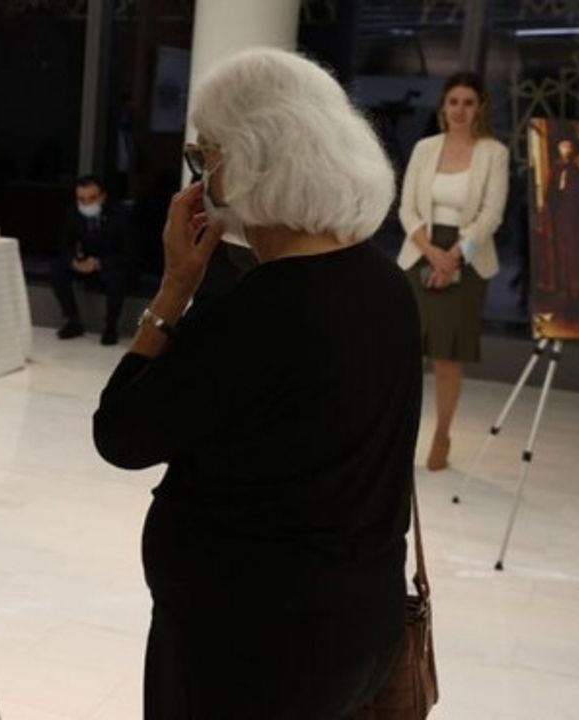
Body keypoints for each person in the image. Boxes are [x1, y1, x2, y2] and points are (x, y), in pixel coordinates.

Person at [93, 48, 419, 718]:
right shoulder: (384, 282)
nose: (203, 175)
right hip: (360, 622)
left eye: (205, 154)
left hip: (252, 647)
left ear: (250, 157)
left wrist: (173, 289)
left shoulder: (260, 311)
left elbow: (121, 434)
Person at [397, 71, 509, 471]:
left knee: (447, 358)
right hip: (421, 252)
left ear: (480, 108)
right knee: (406, 355)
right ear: (443, 107)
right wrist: (432, 253)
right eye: (453, 102)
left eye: (468, 102)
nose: (460, 110)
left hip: (468, 256)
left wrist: (452, 258)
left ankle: (442, 434)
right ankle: (398, 434)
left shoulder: (494, 153)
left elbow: (491, 215)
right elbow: (406, 208)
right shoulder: (425, 148)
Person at [52, 174, 134, 345]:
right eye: (81, 199)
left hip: (111, 263)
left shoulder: (119, 214)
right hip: (84, 262)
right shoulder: (73, 211)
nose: (86, 203)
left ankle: (110, 326)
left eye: (92, 198)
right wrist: (74, 261)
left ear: (102, 197)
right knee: (58, 269)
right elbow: (65, 244)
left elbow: (128, 253)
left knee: (117, 277)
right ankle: (73, 321)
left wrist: (98, 263)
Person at [534, 125, 579, 317]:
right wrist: (545, 217)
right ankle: (568, 296)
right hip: (559, 225)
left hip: (577, 225)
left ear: (573, 150)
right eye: (563, 146)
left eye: (569, 146)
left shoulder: (577, 172)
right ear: (558, 148)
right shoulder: (555, 171)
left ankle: (577, 295)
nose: (566, 149)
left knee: (578, 259)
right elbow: (550, 198)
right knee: (562, 258)